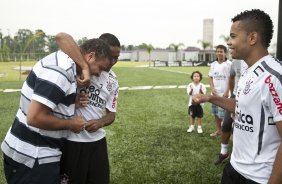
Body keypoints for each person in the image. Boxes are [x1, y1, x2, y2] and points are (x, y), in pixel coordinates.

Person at [1, 38, 112, 184]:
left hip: (29, 151)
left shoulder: (65, 59)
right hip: (33, 157)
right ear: (90, 56)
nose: (99, 74)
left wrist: (70, 102)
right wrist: (70, 124)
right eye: (101, 68)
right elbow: (35, 118)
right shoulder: (61, 71)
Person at [193, 9, 282, 184]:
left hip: (259, 178)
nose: (228, 42)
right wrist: (210, 98)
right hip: (234, 168)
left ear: (252, 38)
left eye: (233, 36)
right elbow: (242, 106)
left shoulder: (275, 77)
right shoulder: (248, 71)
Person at [56, 32, 120, 184]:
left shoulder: (113, 80)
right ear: (98, 53)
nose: (112, 61)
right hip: (71, 141)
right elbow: (61, 37)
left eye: (116, 57)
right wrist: (84, 68)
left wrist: (100, 122)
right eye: (110, 56)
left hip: (97, 143)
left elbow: (111, 115)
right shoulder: (77, 64)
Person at [214, 59, 247, 165]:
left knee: (246, 127)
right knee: (226, 124)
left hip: (251, 99)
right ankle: (223, 153)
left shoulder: (257, 58)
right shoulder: (236, 62)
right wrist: (232, 94)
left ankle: (245, 155)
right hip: (236, 97)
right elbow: (231, 77)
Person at [208, 45, 232, 137]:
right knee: (216, 114)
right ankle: (218, 130)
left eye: (221, 51)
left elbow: (231, 79)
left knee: (225, 116)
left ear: (225, 52)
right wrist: (212, 88)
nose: (219, 53)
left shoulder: (229, 64)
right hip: (215, 94)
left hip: (225, 95)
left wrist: (227, 91)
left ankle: (226, 132)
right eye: (217, 51)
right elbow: (210, 77)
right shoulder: (213, 64)